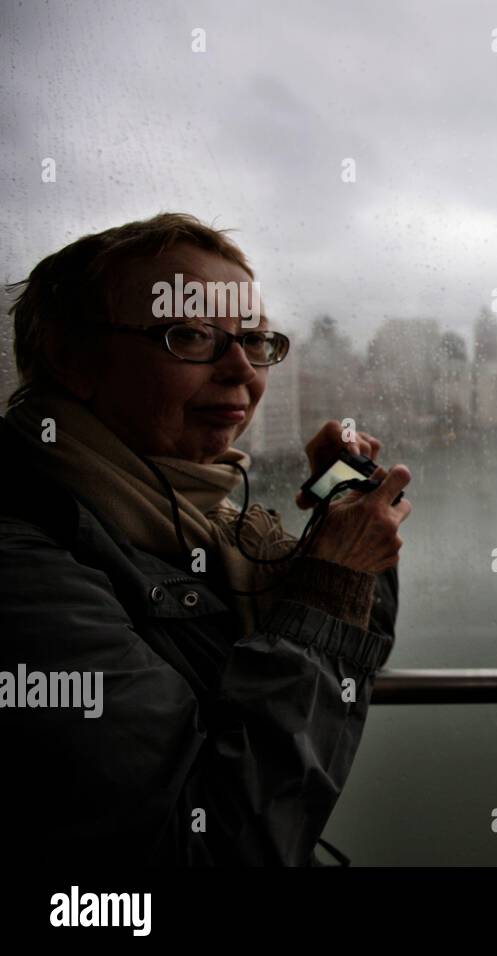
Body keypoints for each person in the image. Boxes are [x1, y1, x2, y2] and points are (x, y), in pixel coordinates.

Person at [0, 212, 412, 865]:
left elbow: (347, 658)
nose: (240, 370)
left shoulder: (204, 519)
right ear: (72, 358)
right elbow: (210, 850)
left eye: (254, 340)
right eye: (190, 335)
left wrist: (344, 511)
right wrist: (329, 583)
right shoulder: (25, 570)